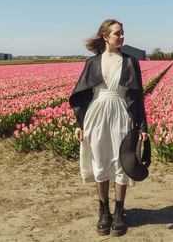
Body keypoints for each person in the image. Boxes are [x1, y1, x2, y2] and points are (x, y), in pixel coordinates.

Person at [69, 19, 148, 236]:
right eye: (117, 34)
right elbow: (83, 94)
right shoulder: (92, 62)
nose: (122, 37)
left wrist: (142, 126)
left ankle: (119, 211)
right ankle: (103, 211)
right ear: (106, 37)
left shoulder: (131, 62)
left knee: (122, 160)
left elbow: (137, 96)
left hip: (121, 113)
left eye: (123, 33)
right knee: (100, 160)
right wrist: (79, 123)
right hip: (95, 114)